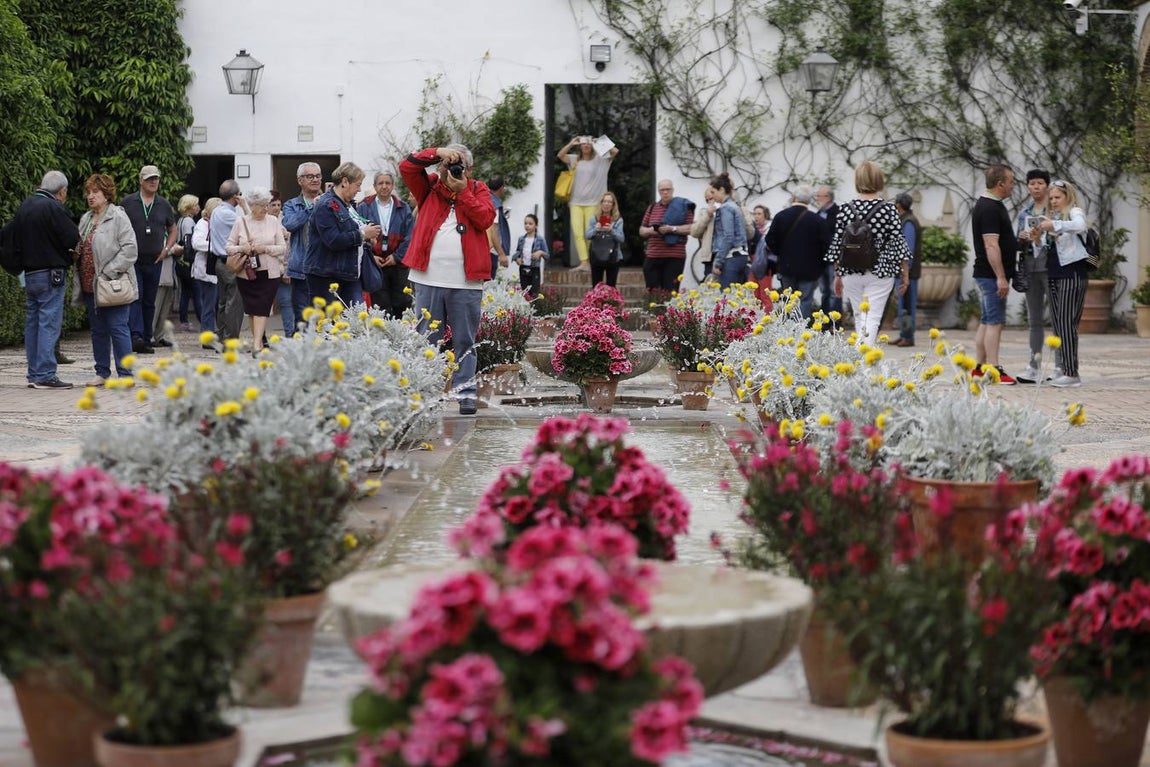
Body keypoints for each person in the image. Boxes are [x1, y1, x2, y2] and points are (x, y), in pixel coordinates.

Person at [399, 144, 496, 416]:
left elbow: (486, 218)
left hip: (466, 281)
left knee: (465, 340)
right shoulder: (429, 187)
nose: (451, 169)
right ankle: (426, 394)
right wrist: (438, 152)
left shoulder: (478, 190)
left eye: (458, 165)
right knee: (427, 339)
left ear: (469, 169)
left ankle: (466, 395)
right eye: (447, 164)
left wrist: (463, 190)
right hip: (428, 277)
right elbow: (406, 167)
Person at [825, 161, 911, 348]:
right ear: (879, 180)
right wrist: (905, 273)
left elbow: (838, 245)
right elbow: (898, 242)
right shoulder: (889, 209)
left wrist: (838, 274)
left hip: (851, 270)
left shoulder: (845, 209)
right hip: (881, 271)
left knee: (860, 318)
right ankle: (865, 364)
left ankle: (861, 361)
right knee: (872, 318)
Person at [10, 171, 79, 389]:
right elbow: (72, 237)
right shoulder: (54, 207)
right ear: (61, 191)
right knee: (49, 323)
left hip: (29, 275)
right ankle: (46, 374)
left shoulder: (25, 207)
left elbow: (8, 236)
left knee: (33, 325)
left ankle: (34, 373)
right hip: (51, 274)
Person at [72, 173, 137, 385]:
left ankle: (126, 374)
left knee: (118, 328)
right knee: (98, 330)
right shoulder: (86, 219)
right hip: (91, 284)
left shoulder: (118, 216)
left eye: (95, 192)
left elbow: (130, 249)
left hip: (112, 284)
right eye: (88, 192)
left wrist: (109, 271)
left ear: (106, 194)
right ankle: (102, 372)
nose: (91, 196)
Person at [1032, 179, 1089, 388]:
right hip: (1054, 274)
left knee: (1067, 324)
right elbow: (1041, 250)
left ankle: (1072, 373)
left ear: (1067, 197)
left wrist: (1054, 224)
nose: (1054, 201)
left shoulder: (1074, 212)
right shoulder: (1052, 218)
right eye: (1052, 198)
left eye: (1057, 197)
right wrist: (1037, 238)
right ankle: (1064, 370)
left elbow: (1081, 226)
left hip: (1072, 274)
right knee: (1059, 324)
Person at [303, 162, 381, 307]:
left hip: (348, 274)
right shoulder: (325, 205)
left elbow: (353, 232)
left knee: (356, 321)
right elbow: (333, 240)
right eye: (358, 185)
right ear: (345, 181)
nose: (359, 190)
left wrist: (368, 238)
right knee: (326, 324)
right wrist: (363, 234)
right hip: (326, 276)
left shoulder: (349, 205)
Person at [970, 164, 1019, 384]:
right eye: (1011, 181)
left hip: (987, 273)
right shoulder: (989, 207)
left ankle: (978, 368)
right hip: (991, 275)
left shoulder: (990, 205)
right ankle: (994, 369)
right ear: (1000, 184)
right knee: (994, 322)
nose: (1012, 185)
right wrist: (1000, 276)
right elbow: (991, 245)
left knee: (986, 320)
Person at [225, 187, 288, 355]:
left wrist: (265, 248)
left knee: (262, 307)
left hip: (269, 272)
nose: (265, 209)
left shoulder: (273, 222)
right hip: (247, 273)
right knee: (252, 310)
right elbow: (228, 247)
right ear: (251, 205)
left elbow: (282, 248)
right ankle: (257, 341)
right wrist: (242, 247)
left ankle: (257, 344)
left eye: (266, 205)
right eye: (261, 205)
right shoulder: (241, 222)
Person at [121, 165, 177, 354]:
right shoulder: (128, 202)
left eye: (156, 178)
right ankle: (135, 336)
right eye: (149, 179)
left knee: (149, 300)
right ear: (141, 181)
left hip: (155, 259)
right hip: (133, 260)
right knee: (135, 297)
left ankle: (146, 337)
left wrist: (167, 249)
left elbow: (173, 229)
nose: (154, 182)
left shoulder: (163, 204)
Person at [1014, 169, 1057, 382]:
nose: (1036, 187)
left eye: (1040, 183)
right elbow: (1017, 242)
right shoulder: (1024, 213)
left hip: (1051, 268)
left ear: (1047, 186)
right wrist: (1022, 238)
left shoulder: (1055, 209)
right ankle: (1034, 366)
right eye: (1032, 183)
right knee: (1034, 320)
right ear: (1028, 186)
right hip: (1030, 267)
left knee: (1058, 318)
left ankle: (1060, 367)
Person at [356, 170, 415, 318]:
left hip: (398, 265)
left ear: (392, 186)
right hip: (374, 264)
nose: (384, 186)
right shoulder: (364, 206)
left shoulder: (403, 207)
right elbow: (359, 233)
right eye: (380, 183)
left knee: (402, 304)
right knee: (378, 306)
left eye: (387, 183)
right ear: (375, 186)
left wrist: (396, 256)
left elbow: (410, 236)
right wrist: (370, 257)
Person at [765, 185, 828, 318]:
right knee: (805, 300)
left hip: (786, 266)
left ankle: (788, 334)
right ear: (809, 201)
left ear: (793, 197)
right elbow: (826, 246)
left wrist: (780, 253)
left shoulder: (781, 216)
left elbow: (770, 239)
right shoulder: (817, 220)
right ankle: (801, 333)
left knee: (789, 300)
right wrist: (819, 265)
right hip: (810, 269)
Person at [558, 135, 619, 270]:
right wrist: (572, 142)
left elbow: (615, 151)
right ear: (580, 146)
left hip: (593, 203)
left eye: (588, 143)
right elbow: (561, 155)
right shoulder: (575, 160)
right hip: (575, 203)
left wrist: (599, 141)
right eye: (583, 143)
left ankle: (591, 261)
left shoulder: (601, 159)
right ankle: (584, 262)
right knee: (578, 233)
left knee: (589, 233)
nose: (586, 145)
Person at [282, 163, 324, 332]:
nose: (315, 179)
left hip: (325, 268)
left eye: (318, 176)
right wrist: (312, 207)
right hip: (302, 270)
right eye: (310, 176)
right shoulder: (292, 205)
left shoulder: (330, 201)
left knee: (324, 318)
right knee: (302, 318)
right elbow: (290, 224)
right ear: (300, 180)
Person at [210, 180, 249, 341]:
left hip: (220, 261)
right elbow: (251, 226)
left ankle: (220, 336)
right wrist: (245, 206)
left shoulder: (216, 211)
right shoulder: (230, 214)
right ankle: (230, 339)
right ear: (236, 196)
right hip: (232, 262)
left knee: (223, 302)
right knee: (234, 304)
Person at [639, 180, 694, 294]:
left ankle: (669, 312)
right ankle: (654, 312)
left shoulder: (683, 207)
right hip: (653, 255)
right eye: (662, 190)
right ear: (659, 191)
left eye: (668, 189)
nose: (665, 192)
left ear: (672, 190)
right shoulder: (652, 207)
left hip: (674, 257)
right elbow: (642, 230)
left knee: (671, 292)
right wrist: (654, 230)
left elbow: (691, 228)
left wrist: (672, 229)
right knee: (653, 292)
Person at [708, 173, 749, 289]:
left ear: (721, 190)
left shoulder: (726, 208)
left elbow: (728, 236)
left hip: (731, 257)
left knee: (726, 299)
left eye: (713, 192)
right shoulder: (735, 206)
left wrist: (718, 262)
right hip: (741, 256)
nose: (712, 196)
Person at [892, 192, 922, 347]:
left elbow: (907, 250)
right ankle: (904, 334)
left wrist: (906, 273)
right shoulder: (905, 220)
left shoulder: (908, 222)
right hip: (904, 272)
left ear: (899, 205)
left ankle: (908, 337)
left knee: (907, 305)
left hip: (908, 273)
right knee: (902, 305)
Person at [190, 197, 221, 342]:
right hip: (206, 270)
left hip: (218, 270)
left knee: (216, 303)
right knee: (209, 304)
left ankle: (215, 332)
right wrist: (217, 246)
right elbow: (197, 243)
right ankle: (206, 335)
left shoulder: (218, 223)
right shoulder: (202, 224)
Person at [584, 192, 624, 289]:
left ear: (613, 205)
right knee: (596, 287)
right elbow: (587, 235)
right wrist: (595, 230)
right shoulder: (594, 219)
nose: (606, 204)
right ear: (601, 203)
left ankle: (610, 304)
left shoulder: (618, 220)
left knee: (611, 287)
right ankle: (597, 304)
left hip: (613, 256)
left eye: (609, 202)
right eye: (604, 201)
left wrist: (611, 230)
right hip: (596, 255)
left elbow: (621, 238)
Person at [814, 185, 841, 317]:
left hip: (833, 260)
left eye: (819, 196)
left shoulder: (838, 213)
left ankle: (834, 321)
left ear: (828, 198)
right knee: (824, 291)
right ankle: (824, 321)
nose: (817, 198)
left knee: (834, 290)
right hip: (820, 260)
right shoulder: (818, 214)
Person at [174, 194, 199, 332]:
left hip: (181, 262)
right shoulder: (189, 222)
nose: (198, 207)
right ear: (190, 207)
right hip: (188, 262)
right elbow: (189, 241)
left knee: (185, 292)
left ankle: (183, 321)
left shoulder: (181, 220)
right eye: (196, 205)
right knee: (197, 292)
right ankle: (203, 321)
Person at [688, 186, 718, 285]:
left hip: (723, 253)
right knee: (709, 283)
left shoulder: (726, 209)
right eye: (707, 199)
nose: (709, 201)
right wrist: (708, 215)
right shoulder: (703, 212)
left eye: (711, 198)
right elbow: (695, 232)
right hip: (709, 254)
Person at [519, 214, 550, 296]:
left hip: (534, 268)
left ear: (536, 225)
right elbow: (518, 253)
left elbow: (547, 256)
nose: (527, 226)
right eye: (525, 223)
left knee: (534, 292)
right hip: (523, 268)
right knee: (524, 293)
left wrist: (540, 252)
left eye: (530, 223)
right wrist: (517, 259)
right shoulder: (521, 239)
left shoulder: (540, 239)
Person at [487, 176, 511, 278]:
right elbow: (493, 231)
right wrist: (501, 254)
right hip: (491, 251)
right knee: (488, 285)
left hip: (483, 249)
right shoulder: (494, 204)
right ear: (501, 188)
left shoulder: (485, 199)